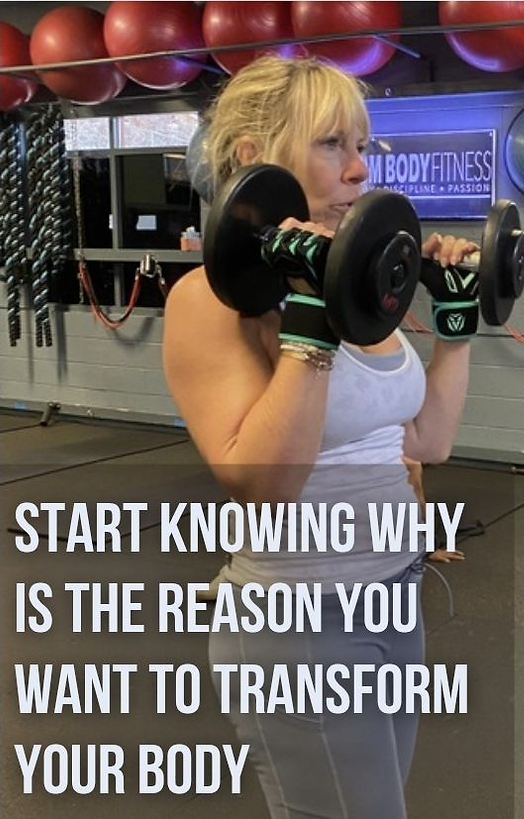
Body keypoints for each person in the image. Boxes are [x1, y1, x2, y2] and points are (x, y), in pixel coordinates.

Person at [162, 56, 479, 819]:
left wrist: (456, 325)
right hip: (299, 620)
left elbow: (426, 439)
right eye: (333, 143)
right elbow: (263, 483)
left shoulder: (361, 283)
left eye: (362, 144)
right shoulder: (207, 302)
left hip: (394, 598)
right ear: (256, 161)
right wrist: (307, 314)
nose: (360, 168)